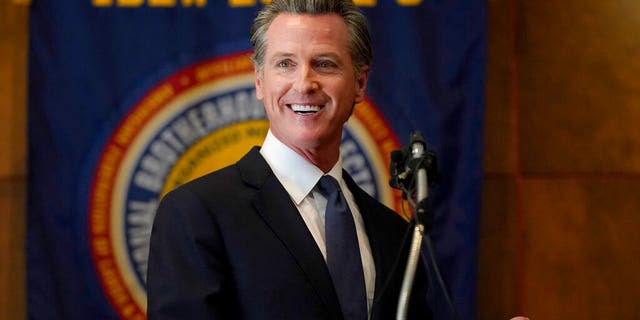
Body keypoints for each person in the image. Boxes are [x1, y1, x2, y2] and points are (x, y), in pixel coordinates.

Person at [146, 0, 433, 319]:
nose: (304, 84)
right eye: (285, 64)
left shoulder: (394, 233)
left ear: (360, 83)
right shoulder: (196, 214)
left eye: (324, 64)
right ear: (259, 80)